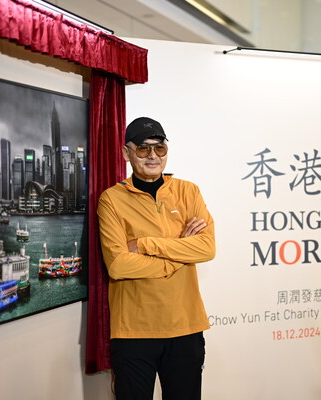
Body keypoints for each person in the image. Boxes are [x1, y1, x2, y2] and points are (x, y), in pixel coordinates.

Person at [97, 117, 216, 400]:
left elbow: (207, 248)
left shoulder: (188, 191)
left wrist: (144, 244)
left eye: (159, 148)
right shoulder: (111, 199)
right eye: (143, 148)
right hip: (133, 332)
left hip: (185, 327)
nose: (153, 156)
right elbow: (119, 266)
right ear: (126, 153)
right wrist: (181, 251)